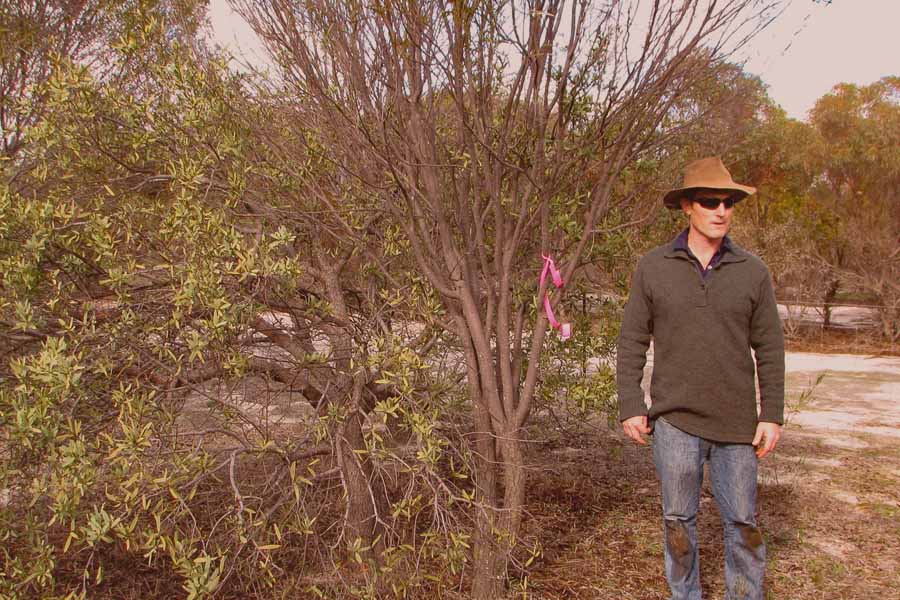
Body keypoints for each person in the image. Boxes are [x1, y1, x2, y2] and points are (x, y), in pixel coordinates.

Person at [616, 157, 785, 600]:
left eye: (728, 202)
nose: (721, 211)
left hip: (737, 424)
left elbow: (770, 348)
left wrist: (772, 414)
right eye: (710, 201)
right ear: (687, 207)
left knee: (743, 523)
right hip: (673, 420)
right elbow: (632, 339)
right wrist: (631, 404)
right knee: (677, 521)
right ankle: (685, 595)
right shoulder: (653, 268)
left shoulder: (753, 271)